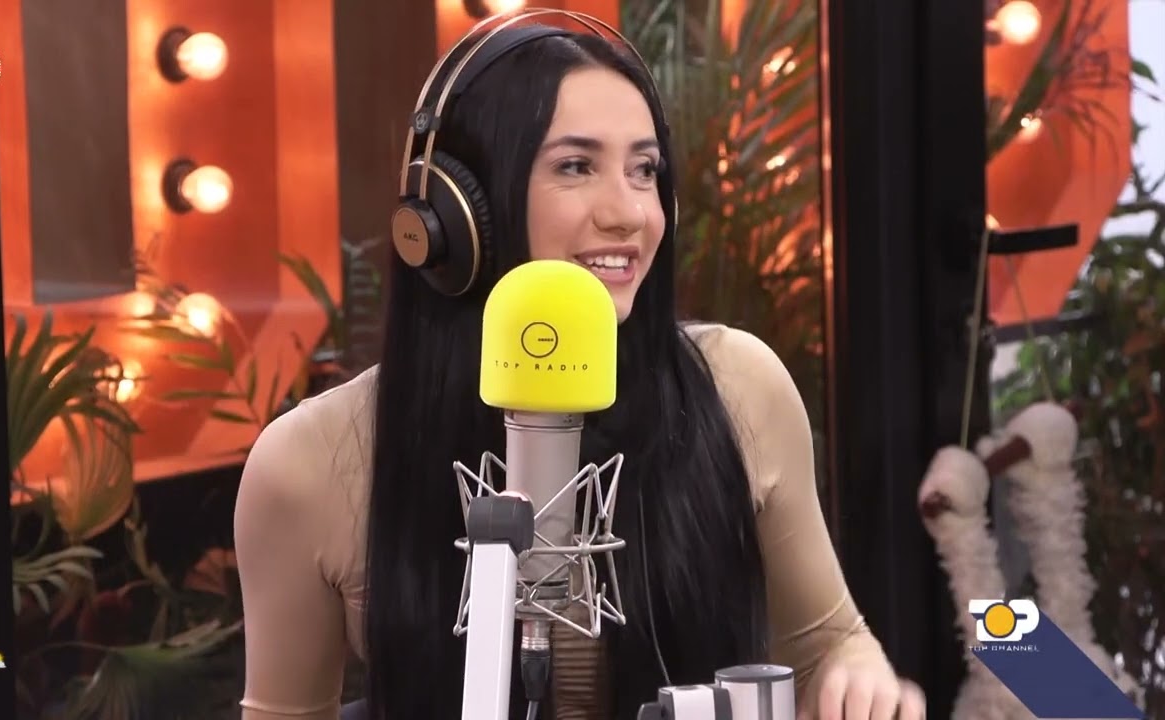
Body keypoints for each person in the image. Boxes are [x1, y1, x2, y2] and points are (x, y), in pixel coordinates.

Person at [235, 9, 925, 720]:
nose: (630, 214)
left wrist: (857, 679)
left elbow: (834, 647)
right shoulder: (309, 462)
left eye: (645, 170)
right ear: (455, 213)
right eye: (575, 166)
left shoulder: (741, 388)